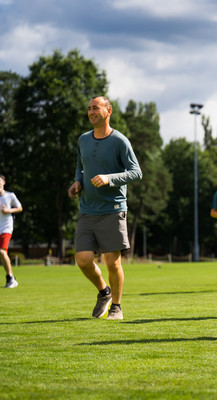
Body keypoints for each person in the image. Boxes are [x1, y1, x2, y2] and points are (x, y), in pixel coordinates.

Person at [68, 96, 142, 320]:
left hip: (113, 208)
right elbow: (81, 167)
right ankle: (104, 292)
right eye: (89, 108)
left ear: (108, 111)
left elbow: (136, 172)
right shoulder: (83, 140)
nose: (91, 112)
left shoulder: (120, 141)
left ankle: (117, 307)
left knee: (113, 262)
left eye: (96, 108)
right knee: (82, 259)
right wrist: (77, 182)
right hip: (88, 209)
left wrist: (110, 178)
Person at [0, 174, 23, 288]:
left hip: (6, 228)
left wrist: (8, 210)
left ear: (3, 182)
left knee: (2, 251)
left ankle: (10, 278)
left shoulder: (10, 195)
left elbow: (19, 207)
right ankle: (11, 278)